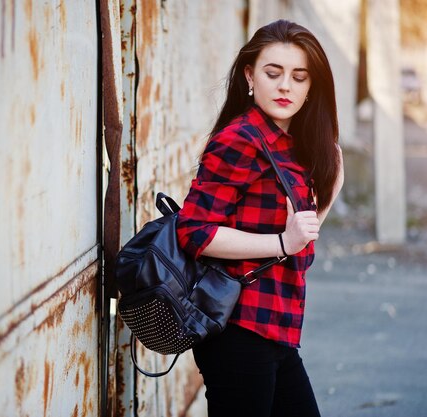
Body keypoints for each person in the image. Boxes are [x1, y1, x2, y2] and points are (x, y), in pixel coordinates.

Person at [176, 19, 344, 417]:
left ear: (311, 87)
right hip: (239, 329)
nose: (286, 85)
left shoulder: (293, 145)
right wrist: (282, 243)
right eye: (274, 73)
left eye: (299, 77)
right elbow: (194, 231)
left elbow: (302, 236)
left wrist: (330, 185)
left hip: (278, 325)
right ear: (250, 75)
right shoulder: (240, 139)